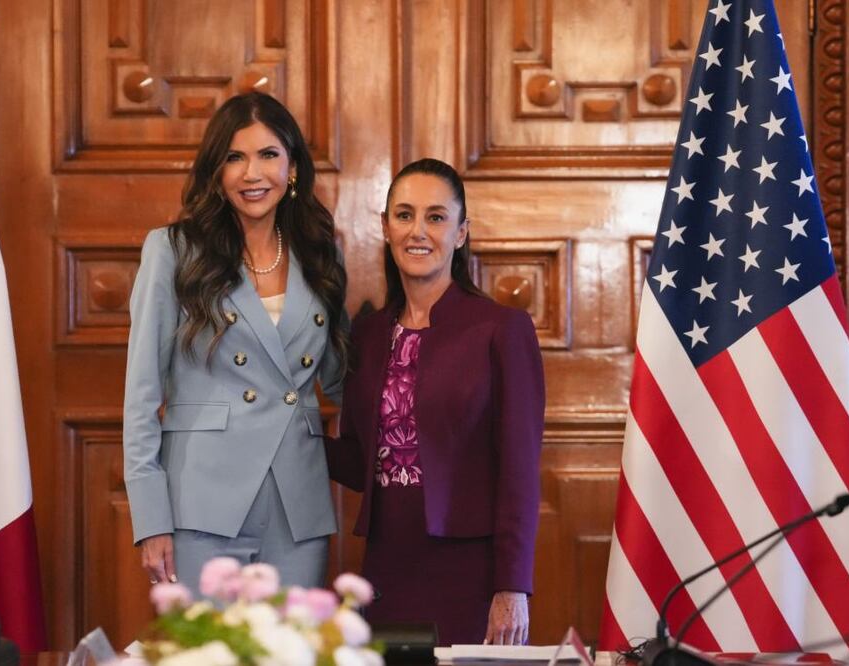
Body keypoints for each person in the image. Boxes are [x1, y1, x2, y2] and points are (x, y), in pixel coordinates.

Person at [123, 92, 348, 594]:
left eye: (268, 155)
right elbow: (141, 393)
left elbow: (340, 375)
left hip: (297, 506)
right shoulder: (174, 250)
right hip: (203, 501)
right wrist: (151, 517)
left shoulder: (320, 255)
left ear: (291, 168)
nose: (253, 173)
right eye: (235, 157)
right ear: (216, 172)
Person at [325, 158, 544, 646]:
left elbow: (519, 471)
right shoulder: (366, 335)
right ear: (385, 228)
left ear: (462, 232)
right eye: (404, 215)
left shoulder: (501, 330)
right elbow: (365, 458)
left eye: (436, 217)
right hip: (386, 566)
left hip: (470, 572)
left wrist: (512, 587)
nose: (417, 231)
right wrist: (284, 432)